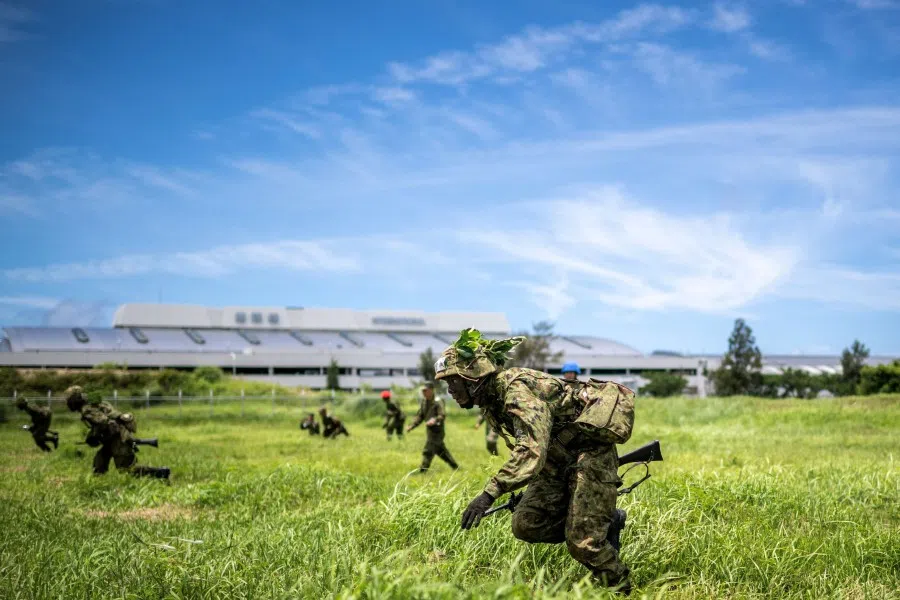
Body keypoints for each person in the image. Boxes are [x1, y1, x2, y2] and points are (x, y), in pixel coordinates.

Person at [434, 329, 632, 593]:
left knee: (582, 542)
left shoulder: (516, 390)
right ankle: (595, 521)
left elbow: (530, 451)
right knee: (526, 524)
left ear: (472, 378)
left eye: (453, 383)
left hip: (589, 453)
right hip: (554, 461)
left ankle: (620, 588)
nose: (450, 391)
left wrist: (488, 495)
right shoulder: (492, 399)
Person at [64, 386, 170, 479]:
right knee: (100, 460)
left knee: (127, 469)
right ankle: (98, 484)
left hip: (117, 437)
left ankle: (160, 473)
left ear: (74, 400)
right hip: (113, 437)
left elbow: (103, 422)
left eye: (68, 400)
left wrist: (94, 436)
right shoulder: (93, 401)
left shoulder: (87, 410)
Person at [406, 381, 459, 472]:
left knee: (428, 450)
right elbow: (420, 416)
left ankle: (423, 471)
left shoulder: (438, 401)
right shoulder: (424, 402)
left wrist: (434, 420)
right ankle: (455, 467)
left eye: (425, 391)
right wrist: (412, 426)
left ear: (431, 390)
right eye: (423, 391)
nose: (423, 393)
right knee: (441, 451)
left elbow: (442, 415)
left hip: (437, 431)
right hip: (430, 431)